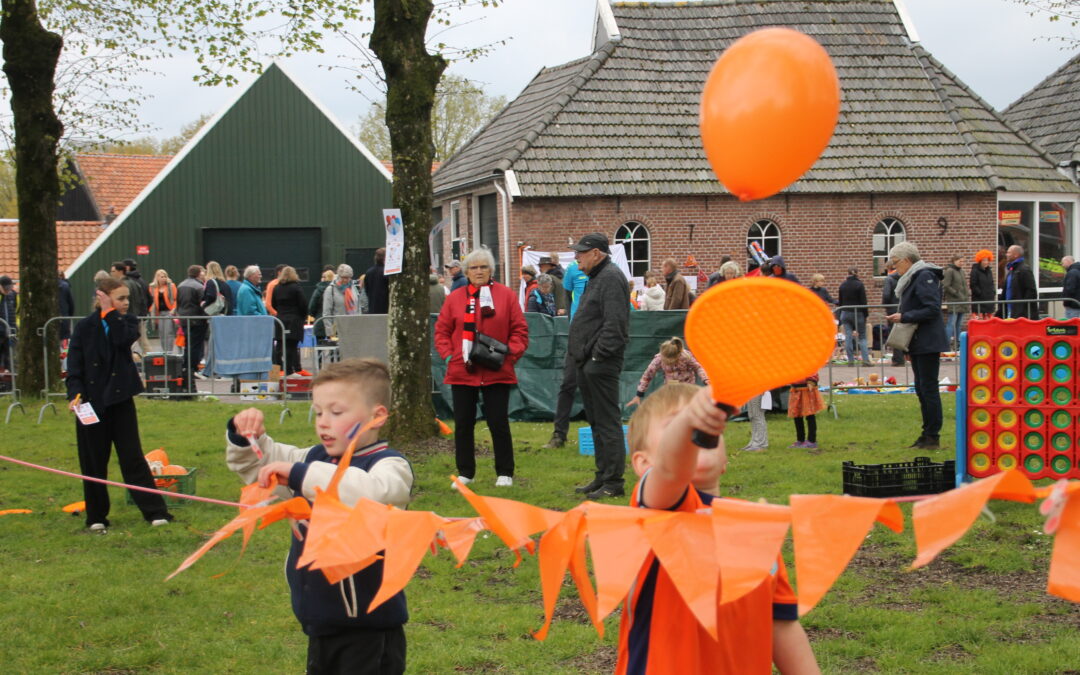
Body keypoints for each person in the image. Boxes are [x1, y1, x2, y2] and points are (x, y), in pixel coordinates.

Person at [617, 383, 819, 674]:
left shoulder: (755, 524)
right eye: (677, 423)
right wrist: (693, 420)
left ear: (724, 460)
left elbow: (782, 624)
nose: (699, 428)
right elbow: (672, 471)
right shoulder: (654, 510)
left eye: (711, 427)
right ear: (643, 464)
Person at [226, 358, 411, 674]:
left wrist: (300, 474)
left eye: (336, 413)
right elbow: (262, 464)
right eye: (319, 411)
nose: (323, 422)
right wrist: (245, 436)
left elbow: (374, 493)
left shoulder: (388, 467)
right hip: (321, 621)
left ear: (377, 416)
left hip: (369, 630)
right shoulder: (313, 459)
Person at [66, 277, 173, 531]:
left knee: (132, 458)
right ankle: (96, 518)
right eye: (121, 298)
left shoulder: (128, 322)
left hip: (120, 400)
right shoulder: (84, 328)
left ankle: (155, 512)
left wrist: (111, 312)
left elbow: (120, 340)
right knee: (93, 462)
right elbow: (74, 366)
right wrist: (75, 393)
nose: (126, 303)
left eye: (127, 298)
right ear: (102, 297)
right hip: (91, 404)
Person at [434, 248, 528, 487]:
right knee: (463, 424)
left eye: (483, 267)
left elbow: (519, 331)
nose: (478, 271)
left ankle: (505, 472)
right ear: (466, 271)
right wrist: (449, 356)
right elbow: (442, 331)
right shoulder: (454, 298)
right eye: (474, 267)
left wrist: (508, 357)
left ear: (491, 270)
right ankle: (466, 472)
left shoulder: (505, 296)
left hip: (497, 371)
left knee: (498, 423)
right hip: (462, 371)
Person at [568, 233, 630, 499]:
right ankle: (603, 476)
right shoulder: (598, 277)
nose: (577, 257)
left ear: (597, 253)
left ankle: (614, 482)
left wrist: (596, 358)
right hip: (588, 361)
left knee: (607, 423)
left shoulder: (610, 278)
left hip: (600, 363)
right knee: (597, 422)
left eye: (582, 252)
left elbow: (615, 325)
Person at [886, 241, 948, 449]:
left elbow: (932, 309)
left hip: (928, 341)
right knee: (922, 388)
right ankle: (927, 433)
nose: (895, 268)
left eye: (896, 263)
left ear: (906, 260)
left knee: (928, 388)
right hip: (919, 341)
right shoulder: (913, 277)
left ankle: (932, 435)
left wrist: (905, 316)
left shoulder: (923, 276)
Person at [625, 337, 708, 408]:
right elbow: (647, 375)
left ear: (677, 355)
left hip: (687, 386)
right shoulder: (658, 359)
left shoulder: (685, 356)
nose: (669, 362)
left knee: (687, 408)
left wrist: (706, 379)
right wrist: (639, 395)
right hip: (671, 388)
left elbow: (698, 367)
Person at [271, 266, 308, 375]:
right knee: (292, 346)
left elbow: (274, 304)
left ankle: (280, 370)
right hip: (294, 320)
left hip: (280, 319)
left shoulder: (276, 288)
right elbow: (303, 304)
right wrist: (302, 316)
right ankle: (290, 370)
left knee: (280, 345)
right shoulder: (296, 288)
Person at [177, 265, 208, 380]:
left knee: (188, 344)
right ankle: (193, 368)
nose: (204, 274)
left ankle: (186, 367)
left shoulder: (181, 285)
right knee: (196, 345)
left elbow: (178, 302)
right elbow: (204, 304)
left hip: (184, 319)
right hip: (197, 319)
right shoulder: (199, 287)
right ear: (199, 273)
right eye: (203, 272)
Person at [837, 268, 871, 366]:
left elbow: (840, 301)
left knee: (848, 336)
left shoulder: (842, 285)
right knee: (862, 337)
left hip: (845, 312)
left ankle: (851, 360)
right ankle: (865, 360)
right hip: (858, 312)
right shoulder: (859, 285)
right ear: (857, 274)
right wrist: (866, 314)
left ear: (847, 274)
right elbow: (863, 301)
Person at [122, 259, 153, 355]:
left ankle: (150, 361)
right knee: (142, 340)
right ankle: (150, 361)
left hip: (133, 315)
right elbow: (150, 299)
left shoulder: (128, 282)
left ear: (127, 268)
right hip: (141, 315)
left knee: (133, 340)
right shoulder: (142, 281)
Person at [787, 374, 825, 449]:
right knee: (797, 415)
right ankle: (800, 440)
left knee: (809, 415)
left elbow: (812, 368)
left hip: (807, 389)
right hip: (796, 389)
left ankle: (812, 441)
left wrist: (811, 381)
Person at [322, 264, 361, 338]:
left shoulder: (353, 289)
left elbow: (358, 308)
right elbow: (326, 313)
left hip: (353, 328)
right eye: (343, 277)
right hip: (338, 331)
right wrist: (330, 332)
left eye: (348, 278)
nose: (345, 280)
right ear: (339, 276)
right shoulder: (330, 290)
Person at [1001, 244, 1037, 319]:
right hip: (1010, 310)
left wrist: (1022, 309)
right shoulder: (1012, 270)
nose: (1006, 254)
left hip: (1019, 313)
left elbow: (1031, 291)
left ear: (1016, 255)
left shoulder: (1024, 270)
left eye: (1009, 252)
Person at [942, 253, 969, 350]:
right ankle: (946, 344)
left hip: (962, 300)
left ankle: (957, 344)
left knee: (958, 324)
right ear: (954, 260)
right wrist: (955, 293)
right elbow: (946, 285)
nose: (961, 263)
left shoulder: (961, 271)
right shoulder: (950, 271)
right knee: (951, 323)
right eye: (960, 261)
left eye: (963, 261)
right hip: (954, 300)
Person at [148, 269, 178, 354]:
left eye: (165, 276)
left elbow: (176, 299)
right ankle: (164, 351)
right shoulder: (152, 287)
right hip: (159, 313)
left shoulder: (171, 286)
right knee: (161, 332)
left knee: (169, 332)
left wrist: (173, 310)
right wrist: (151, 311)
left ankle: (169, 352)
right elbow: (151, 300)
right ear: (157, 278)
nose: (164, 278)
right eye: (162, 277)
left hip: (169, 311)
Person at [881, 262, 905, 366]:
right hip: (903, 307)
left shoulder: (889, 279)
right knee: (903, 333)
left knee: (893, 334)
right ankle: (902, 357)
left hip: (892, 309)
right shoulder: (904, 277)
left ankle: (898, 359)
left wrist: (885, 305)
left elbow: (886, 294)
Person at [970, 249, 996, 320]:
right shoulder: (975, 271)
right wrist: (980, 293)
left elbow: (992, 282)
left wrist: (993, 291)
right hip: (979, 300)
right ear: (980, 260)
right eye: (984, 260)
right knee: (980, 321)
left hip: (989, 299)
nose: (986, 262)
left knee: (988, 320)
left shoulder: (989, 271)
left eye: (987, 260)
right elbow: (973, 284)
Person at [310, 269, 335, 341]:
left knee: (319, 346)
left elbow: (312, 306)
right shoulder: (336, 289)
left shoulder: (318, 290)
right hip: (334, 322)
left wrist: (314, 315)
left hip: (320, 320)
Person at [365, 248, 390, 314]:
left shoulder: (368, 272)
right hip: (385, 308)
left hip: (372, 308)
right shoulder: (387, 273)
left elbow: (367, 290)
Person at [0, 275, 16, 371]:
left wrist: (14, 327)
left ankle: (9, 381)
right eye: (6, 288)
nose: (8, 291)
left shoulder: (11, 295)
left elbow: (14, 311)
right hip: (1, 331)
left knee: (9, 358)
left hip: (9, 331)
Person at [1063, 255, 1080, 319]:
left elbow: (1069, 289)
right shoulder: (1077, 271)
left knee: (1072, 325)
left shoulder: (1072, 273)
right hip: (1077, 303)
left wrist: (1066, 302)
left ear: (1068, 261)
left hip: (1073, 305)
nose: (1062, 265)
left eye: (1063, 263)